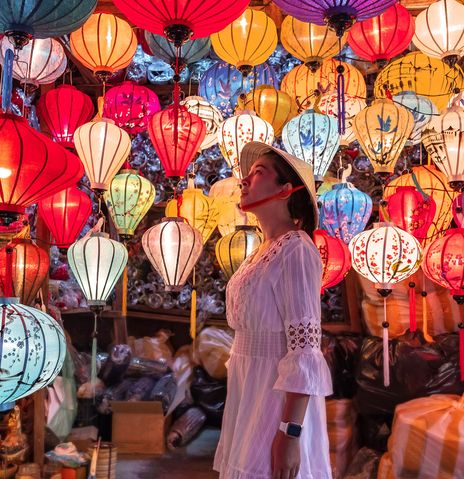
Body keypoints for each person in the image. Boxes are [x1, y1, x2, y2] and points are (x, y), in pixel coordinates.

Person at [213, 141, 333, 479]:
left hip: (275, 402)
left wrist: (290, 433)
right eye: (247, 174)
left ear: (284, 190)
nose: (244, 181)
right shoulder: (263, 251)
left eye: (258, 173)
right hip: (249, 394)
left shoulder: (296, 249)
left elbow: (306, 349)